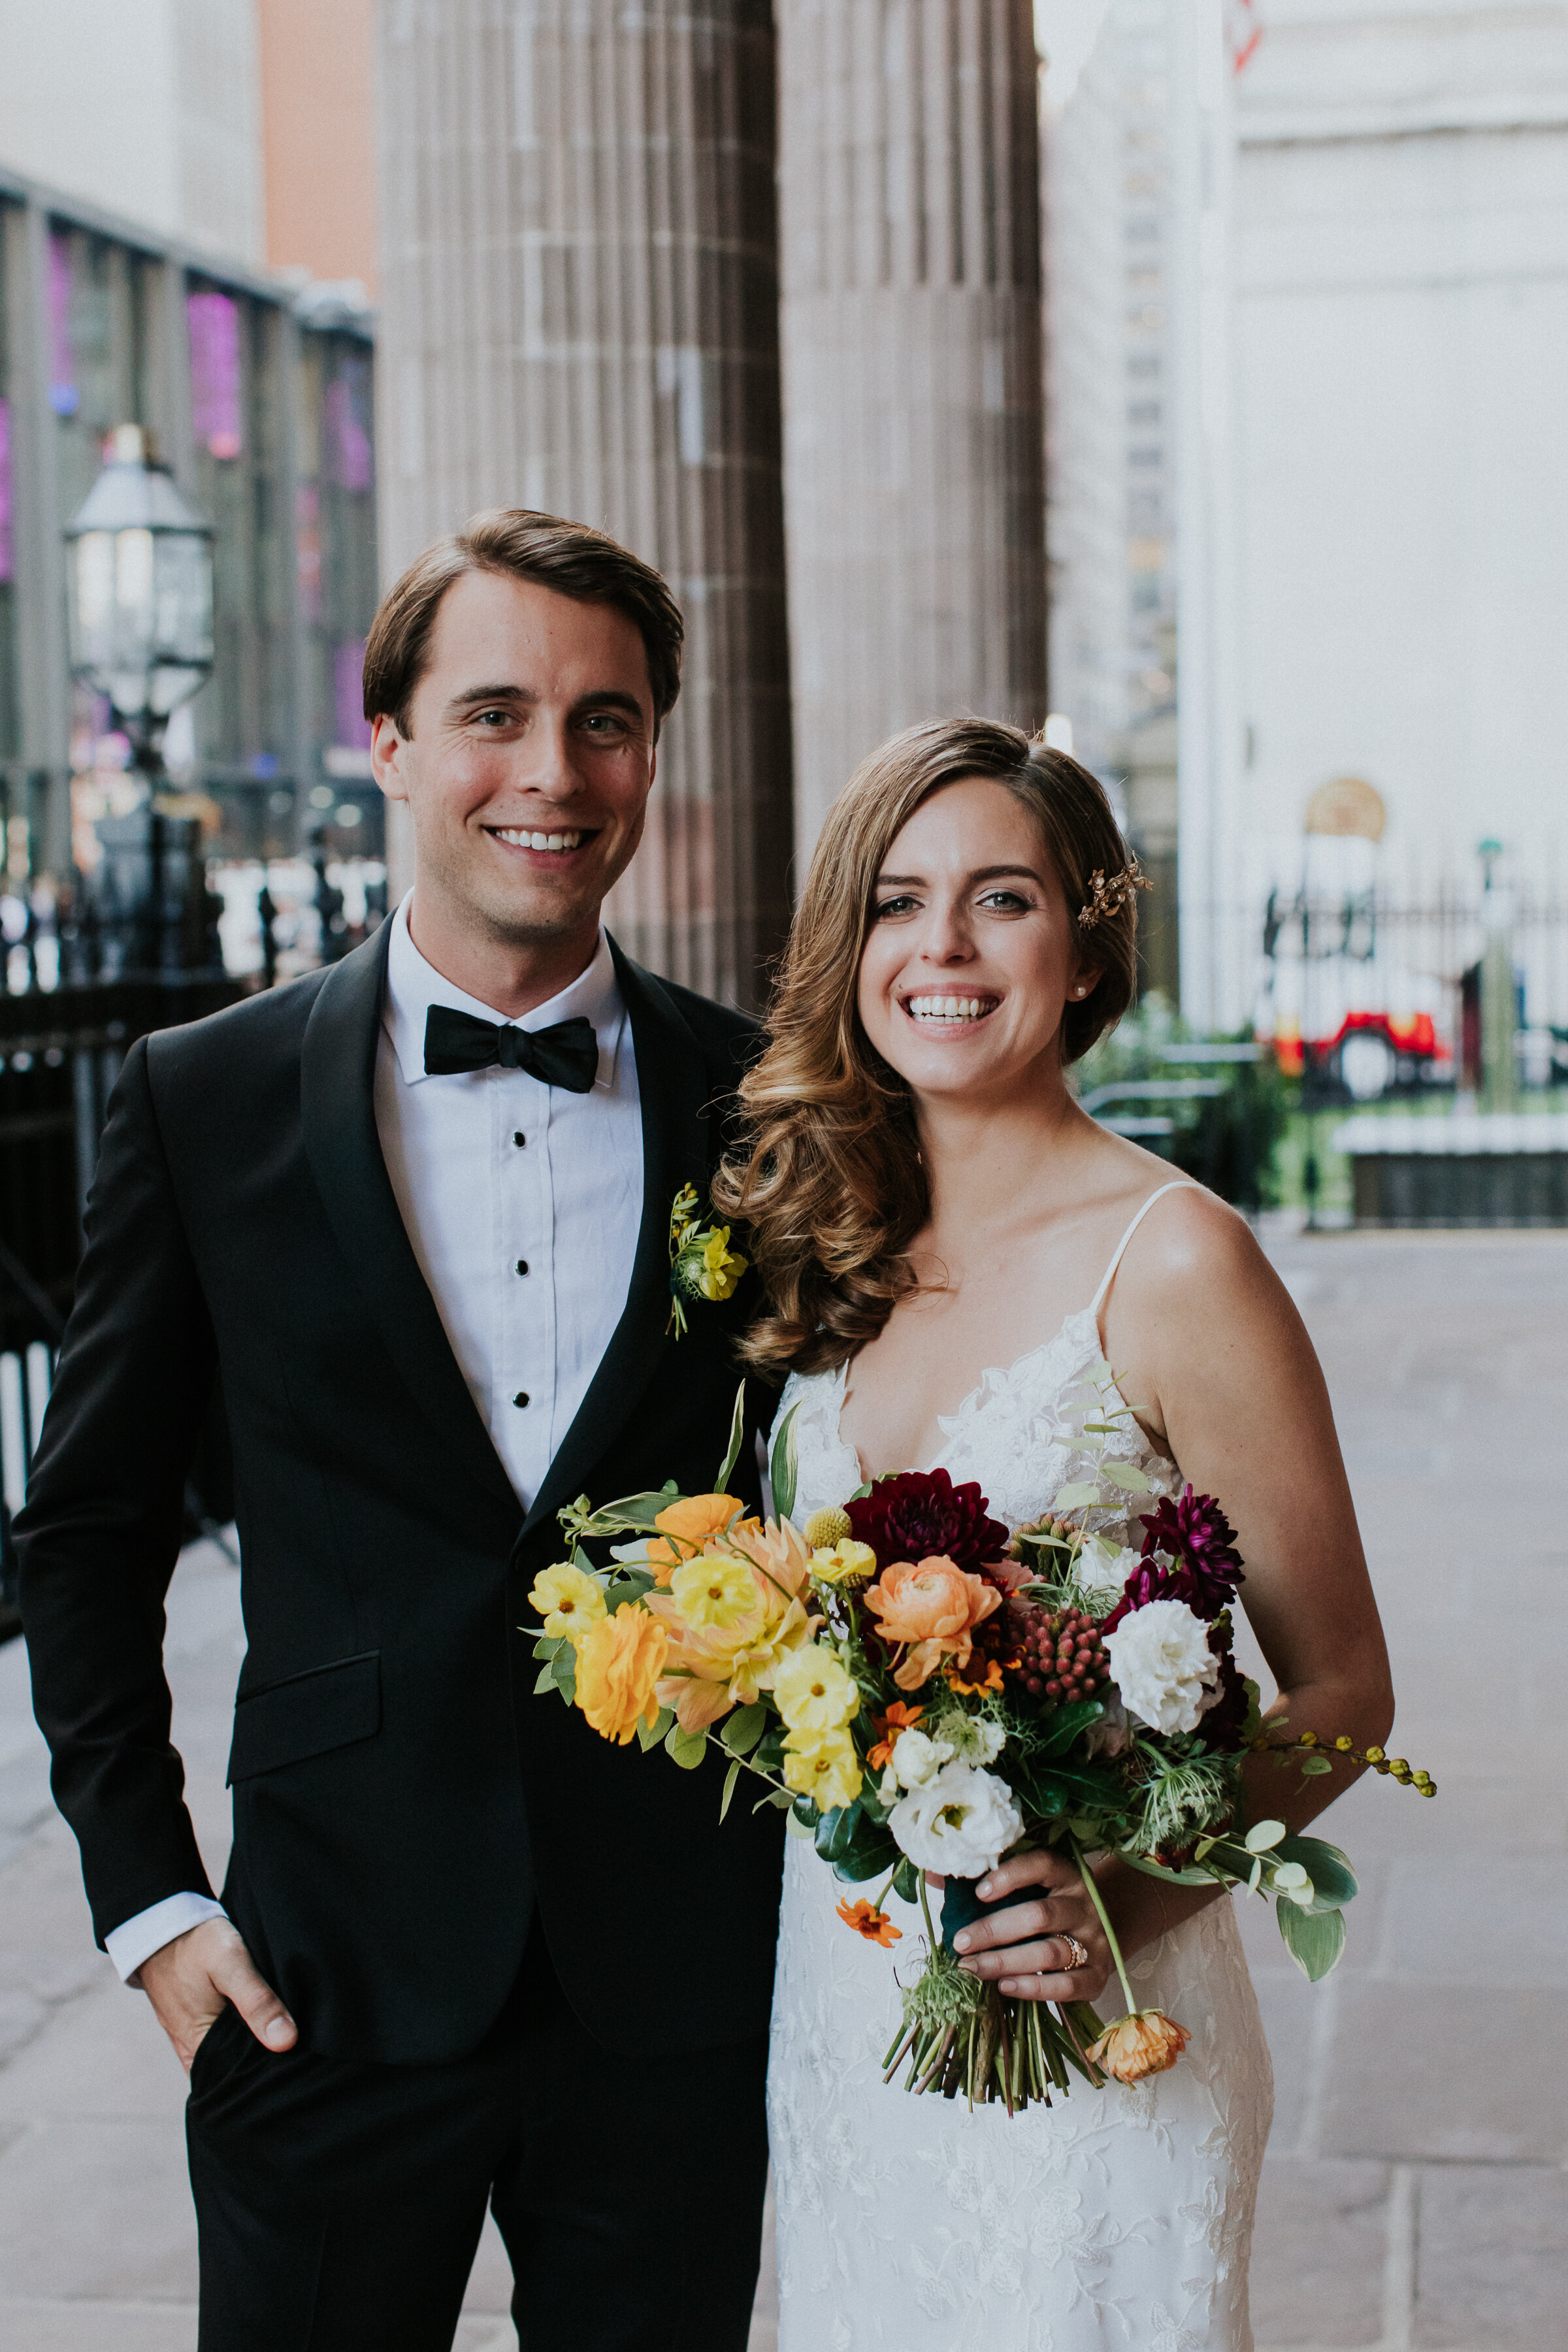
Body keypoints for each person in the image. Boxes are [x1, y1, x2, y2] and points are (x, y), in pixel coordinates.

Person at [18, 510, 781, 2351]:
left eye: (606, 721)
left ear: (653, 757)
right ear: (391, 743)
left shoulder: (764, 1105)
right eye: (495, 711)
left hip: (673, 1970)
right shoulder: (205, 1102)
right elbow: (86, 1531)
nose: (553, 770)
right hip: (318, 1971)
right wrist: (148, 1906)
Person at [718, 718, 1395, 2351]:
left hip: (1098, 2016)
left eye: (999, 900)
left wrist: (1116, 1889)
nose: (940, 947)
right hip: (850, 2002)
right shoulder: (829, 1241)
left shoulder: (1175, 1264)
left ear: (1086, 943)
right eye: (895, 901)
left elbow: (1347, 1691)